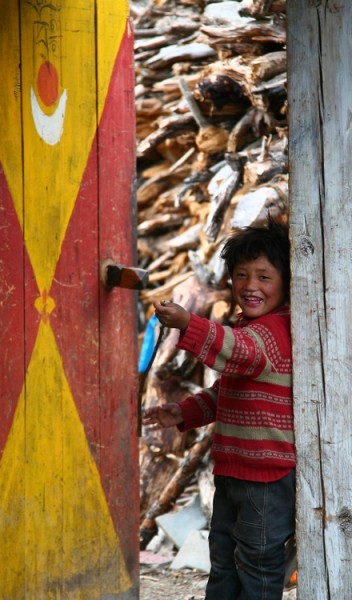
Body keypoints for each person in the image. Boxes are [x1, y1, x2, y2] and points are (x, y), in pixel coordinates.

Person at [142, 218, 295, 600]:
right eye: (241, 275)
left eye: (264, 276)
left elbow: (239, 352)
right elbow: (228, 390)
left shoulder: (277, 330)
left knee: (258, 565)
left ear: (287, 282)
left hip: (267, 479)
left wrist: (187, 324)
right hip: (233, 472)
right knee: (223, 558)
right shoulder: (250, 328)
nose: (250, 285)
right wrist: (183, 412)